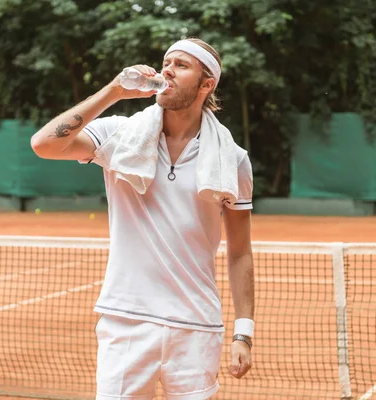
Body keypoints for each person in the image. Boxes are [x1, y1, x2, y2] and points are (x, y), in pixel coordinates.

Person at [31, 37, 255, 400]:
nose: (167, 69)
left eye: (182, 65)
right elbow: (44, 144)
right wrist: (112, 92)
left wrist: (243, 332)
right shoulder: (119, 134)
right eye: (167, 62)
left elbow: (240, 251)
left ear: (206, 84)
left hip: (196, 326)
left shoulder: (234, 159)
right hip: (126, 321)